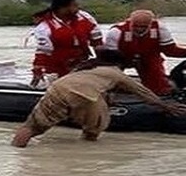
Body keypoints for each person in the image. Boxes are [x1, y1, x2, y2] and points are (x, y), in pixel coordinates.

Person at [12, 52, 186, 147]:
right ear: (119, 65)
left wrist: (108, 98)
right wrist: (165, 106)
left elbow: (94, 87)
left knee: (32, 126)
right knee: (93, 130)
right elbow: (143, 92)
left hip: (57, 89)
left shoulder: (85, 67)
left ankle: (17, 152)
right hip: (87, 96)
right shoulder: (116, 73)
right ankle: (87, 151)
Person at [100, 9, 186, 95]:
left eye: (144, 27)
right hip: (121, 59)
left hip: (149, 59)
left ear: (150, 24)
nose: (139, 29)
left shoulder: (160, 29)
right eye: (136, 26)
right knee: (109, 81)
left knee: (159, 89)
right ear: (130, 22)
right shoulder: (116, 32)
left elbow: (170, 50)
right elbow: (110, 57)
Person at [29, 0, 102, 87]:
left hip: (81, 65)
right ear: (62, 8)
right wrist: (37, 71)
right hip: (57, 68)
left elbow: (97, 42)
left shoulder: (85, 17)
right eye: (75, 5)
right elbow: (43, 53)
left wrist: (103, 63)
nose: (78, 8)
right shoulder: (44, 27)